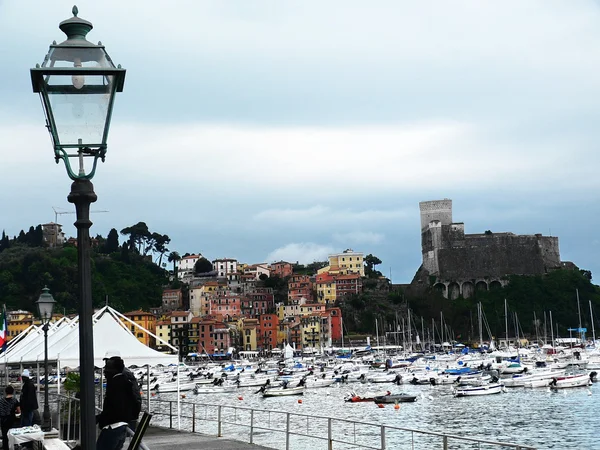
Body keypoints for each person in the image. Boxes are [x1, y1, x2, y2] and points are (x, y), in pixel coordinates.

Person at [96, 358, 136, 450]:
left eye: (107, 368)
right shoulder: (125, 382)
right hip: (120, 425)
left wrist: (101, 418)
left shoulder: (116, 384)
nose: (105, 371)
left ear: (115, 370)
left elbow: (115, 406)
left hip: (113, 427)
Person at [0, 385, 20, 450]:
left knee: (4, 435)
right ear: (13, 392)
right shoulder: (14, 400)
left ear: (5, 392)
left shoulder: (1, 400)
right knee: (12, 434)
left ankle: (5, 447)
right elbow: (18, 411)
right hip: (11, 419)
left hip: (3, 419)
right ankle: (13, 447)